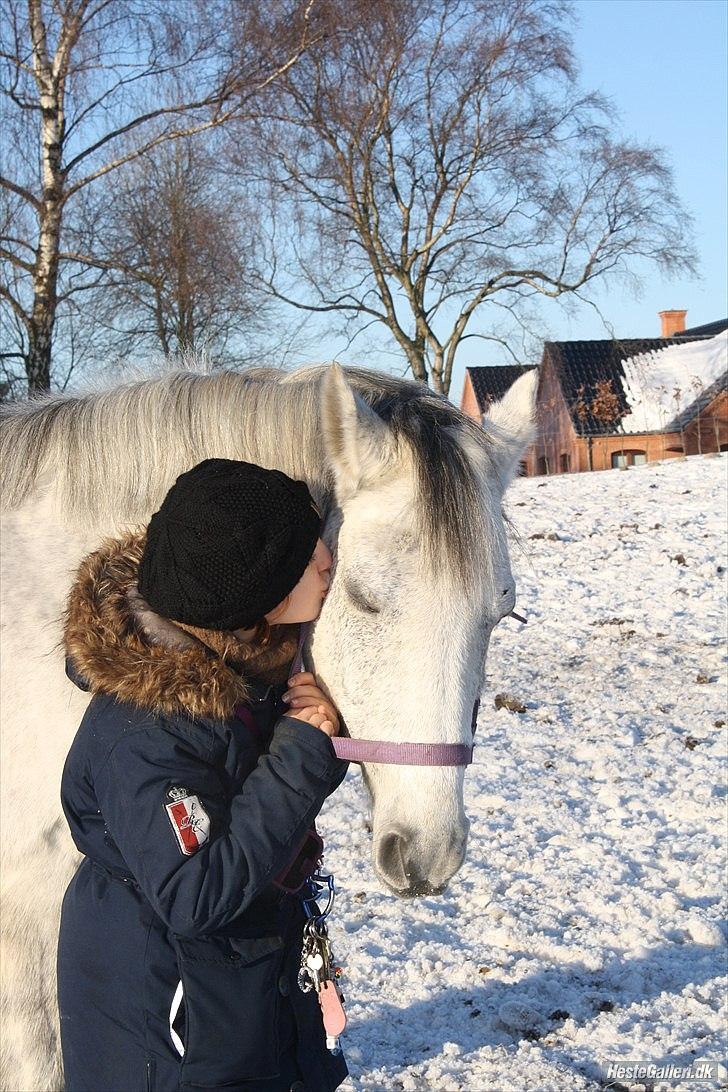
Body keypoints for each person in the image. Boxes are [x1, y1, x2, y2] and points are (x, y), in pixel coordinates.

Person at [57, 458, 350, 1092]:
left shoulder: (248, 668)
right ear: (250, 589)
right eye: (304, 553)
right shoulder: (146, 733)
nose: (328, 559)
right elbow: (195, 894)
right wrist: (300, 754)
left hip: (234, 997)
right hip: (171, 1024)